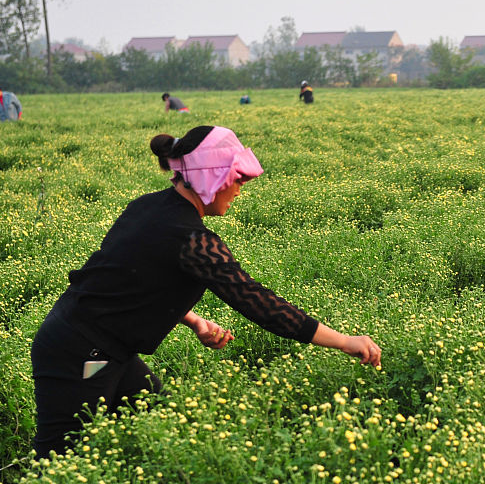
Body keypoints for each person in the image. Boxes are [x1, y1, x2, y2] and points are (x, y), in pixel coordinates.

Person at [30, 125, 382, 458]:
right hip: (83, 352)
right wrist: (344, 341)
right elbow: (259, 304)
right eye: (237, 180)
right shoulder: (192, 241)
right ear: (214, 176)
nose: (239, 190)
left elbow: (128, 280)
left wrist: (193, 320)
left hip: (92, 340)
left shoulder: (148, 206)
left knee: (153, 421)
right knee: (61, 455)